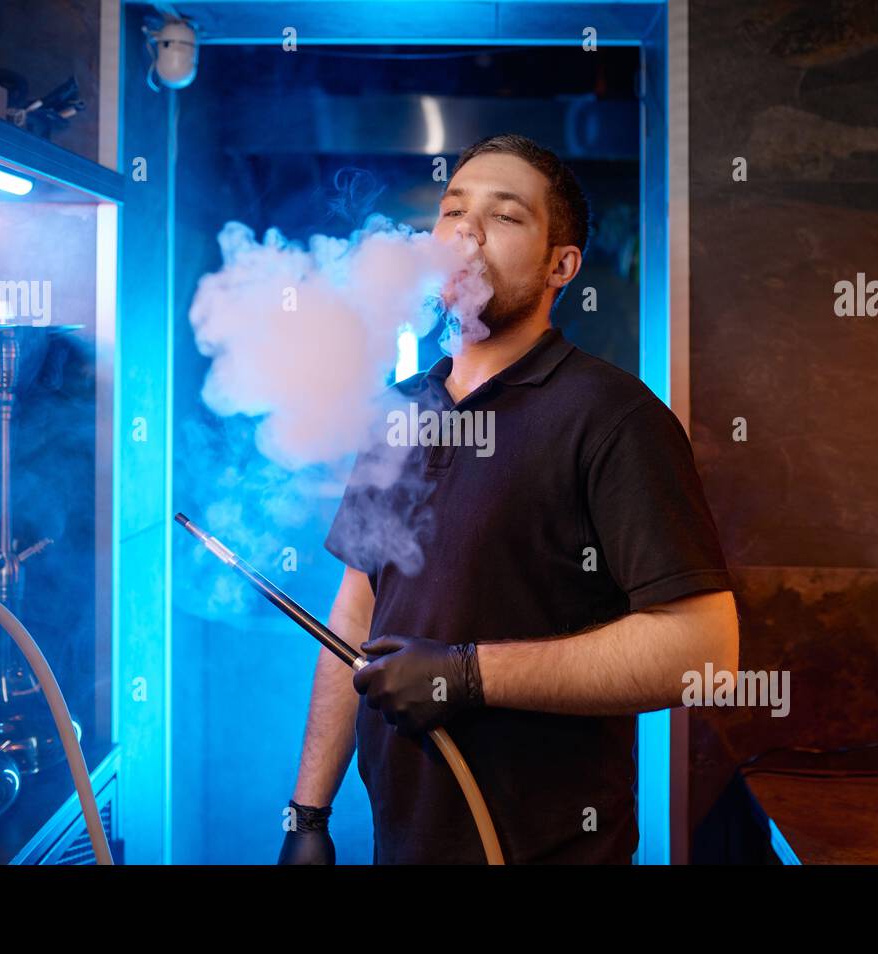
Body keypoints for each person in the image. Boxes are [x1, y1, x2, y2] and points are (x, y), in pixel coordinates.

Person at [279, 133, 739, 864]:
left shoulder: (614, 419)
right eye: (453, 211)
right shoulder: (398, 412)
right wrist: (308, 815)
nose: (466, 231)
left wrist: (469, 675)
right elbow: (355, 614)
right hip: (400, 844)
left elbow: (703, 651)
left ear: (563, 265)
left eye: (506, 216)